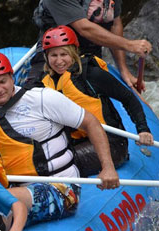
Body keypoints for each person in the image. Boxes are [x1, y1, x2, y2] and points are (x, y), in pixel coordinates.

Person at [0, 51, 120, 226]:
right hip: (9, 186)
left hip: (60, 187)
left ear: (11, 77)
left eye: (2, 82)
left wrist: (108, 167)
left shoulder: (42, 98)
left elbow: (91, 123)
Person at [40, 25, 154, 176]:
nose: (59, 61)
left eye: (64, 54)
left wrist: (143, 128)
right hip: (75, 142)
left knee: (52, 167)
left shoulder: (90, 74)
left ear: (73, 54)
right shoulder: (46, 82)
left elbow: (128, 98)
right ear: (46, 57)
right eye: (53, 55)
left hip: (110, 144)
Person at [29, 0, 152, 89]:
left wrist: (124, 70)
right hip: (55, 49)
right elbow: (84, 28)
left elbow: (115, 23)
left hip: (90, 51)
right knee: (36, 89)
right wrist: (130, 45)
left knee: (100, 95)